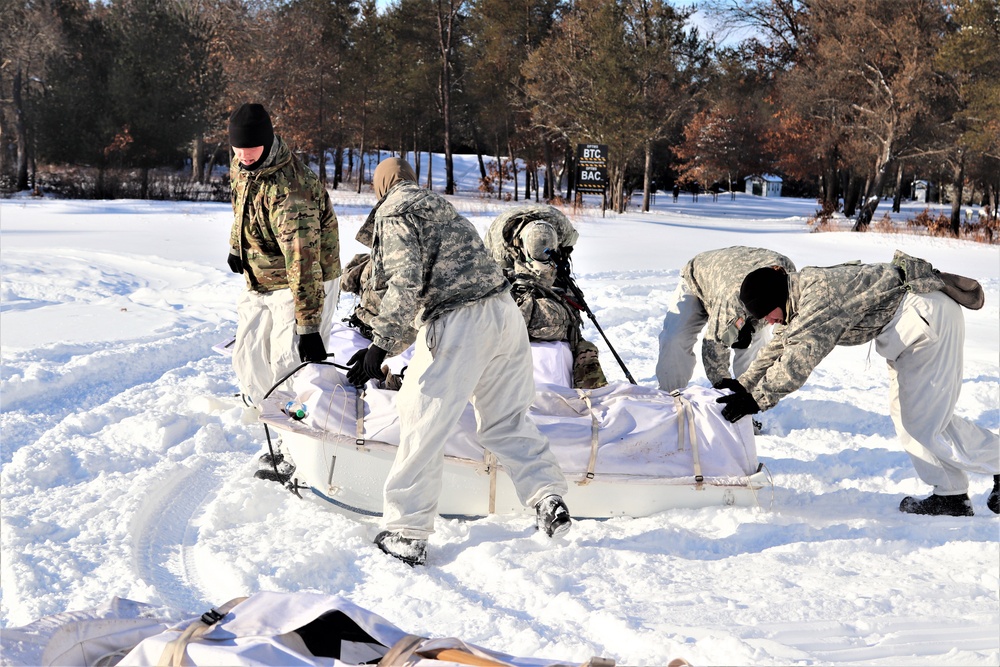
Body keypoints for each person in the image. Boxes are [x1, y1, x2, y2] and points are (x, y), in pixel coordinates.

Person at [346, 157, 571, 566]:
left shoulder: (395, 212)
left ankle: (406, 532)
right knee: (507, 420)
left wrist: (378, 347)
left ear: (381, 188)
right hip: (505, 314)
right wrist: (387, 345)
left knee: (422, 422)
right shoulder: (440, 208)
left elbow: (405, 284)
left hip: (460, 320)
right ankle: (546, 497)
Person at [719, 252, 999, 516]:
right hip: (912, 325)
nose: (768, 321)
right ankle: (951, 495)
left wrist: (757, 401)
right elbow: (782, 342)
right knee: (911, 417)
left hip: (926, 321)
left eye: (767, 312)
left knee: (925, 421)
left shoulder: (818, 298)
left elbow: (798, 360)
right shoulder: (800, 294)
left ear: (776, 297)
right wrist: (744, 385)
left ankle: (977, 475)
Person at [226, 103, 341, 479]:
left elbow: (303, 262)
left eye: (251, 149)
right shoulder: (244, 165)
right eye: (238, 149)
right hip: (263, 278)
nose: (243, 156)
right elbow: (241, 204)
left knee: (290, 366)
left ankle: (299, 447)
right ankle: (278, 433)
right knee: (249, 361)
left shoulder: (291, 190)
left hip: (304, 280)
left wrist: (308, 326)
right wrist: (235, 246)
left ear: (269, 140)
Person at [484, 204, 607, 389]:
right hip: (504, 258)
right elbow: (494, 267)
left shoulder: (560, 226)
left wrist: (556, 268)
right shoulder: (500, 241)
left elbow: (569, 246)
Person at [655, 246, 796, 393]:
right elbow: (713, 346)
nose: (771, 322)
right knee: (675, 338)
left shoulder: (791, 284)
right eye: (765, 316)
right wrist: (723, 385)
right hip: (699, 280)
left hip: (737, 282)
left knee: (757, 341)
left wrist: (752, 325)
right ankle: (670, 397)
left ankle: (750, 397)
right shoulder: (733, 301)